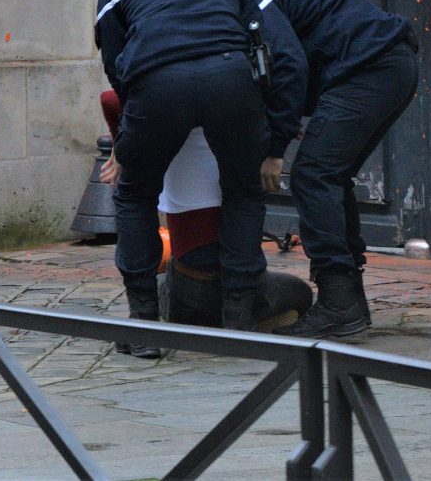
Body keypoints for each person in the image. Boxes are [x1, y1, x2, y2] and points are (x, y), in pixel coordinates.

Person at [96, 0, 305, 345]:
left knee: (135, 193)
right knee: (243, 192)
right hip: (230, 79)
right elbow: (258, 37)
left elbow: (115, 62)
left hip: (158, 85)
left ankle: (143, 327)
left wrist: (133, 128)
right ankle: (240, 321)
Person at [249, 0, 419, 337]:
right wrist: (283, 113)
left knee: (313, 176)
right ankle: (351, 303)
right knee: (329, 178)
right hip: (383, 63)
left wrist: (276, 147)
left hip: (371, 67)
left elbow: (290, 63)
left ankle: (338, 305)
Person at [97, 91, 311, 333]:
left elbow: (109, 99)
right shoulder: (241, 105)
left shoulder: (159, 110)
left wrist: (121, 146)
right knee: (299, 292)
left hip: (188, 286)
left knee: (162, 278)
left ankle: (153, 318)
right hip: (242, 285)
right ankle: (240, 319)